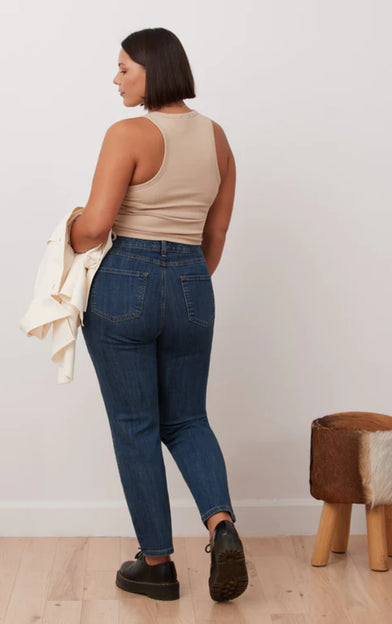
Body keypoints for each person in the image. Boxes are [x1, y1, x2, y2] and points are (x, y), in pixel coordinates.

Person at [70, 27, 248, 602]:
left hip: (126, 280)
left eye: (124, 68)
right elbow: (215, 234)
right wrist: (185, 283)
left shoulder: (128, 133)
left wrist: (68, 230)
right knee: (188, 419)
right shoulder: (218, 138)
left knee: (136, 425)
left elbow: (96, 227)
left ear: (153, 69)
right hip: (194, 280)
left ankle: (157, 564)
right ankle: (222, 526)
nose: (116, 79)